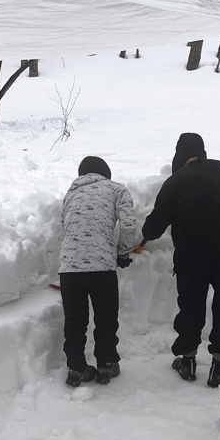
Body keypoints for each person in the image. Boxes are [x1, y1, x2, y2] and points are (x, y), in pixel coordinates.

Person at [136, 133, 220, 388]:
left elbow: (154, 226)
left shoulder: (174, 182)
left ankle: (187, 360)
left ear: (179, 156)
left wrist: (143, 241)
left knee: (191, 304)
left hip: (192, 254)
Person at [58, 156, 136, 386]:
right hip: (101, 267)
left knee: (74, 321)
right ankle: (106, 365)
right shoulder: (116, 189)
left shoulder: (70, 194)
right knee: (105, 319)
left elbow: (67, 227)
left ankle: (76, 369)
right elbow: (129, 224)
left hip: (69, 269)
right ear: (106, 173)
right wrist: (123, 253)